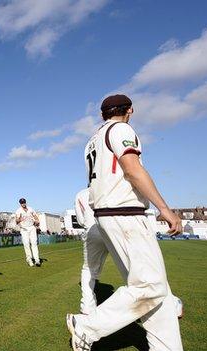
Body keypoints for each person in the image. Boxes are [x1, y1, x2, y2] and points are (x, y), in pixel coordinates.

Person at [67, 94, 183, 351]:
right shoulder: (121, 129)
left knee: (155, 288)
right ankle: (87, 326)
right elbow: (132, 169)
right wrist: (165, 208)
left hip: (108, 215)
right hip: (125, 213)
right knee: (150, 286)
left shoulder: (92, 139)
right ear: (130, 110)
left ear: (102, 114)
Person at [74, 187, 183, 317]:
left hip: (92, 230)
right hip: (115, 225)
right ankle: (170, 304)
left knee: (89, 269)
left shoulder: (80, 194)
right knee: (140, 266)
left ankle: (87, 306)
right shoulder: (112, 183)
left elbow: (80, 220)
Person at [15, 198, 41, 267]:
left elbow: (36, 218)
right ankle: (29, 259)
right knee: (26, 244)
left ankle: (37, 259)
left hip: (32, 227)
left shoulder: (30, 209)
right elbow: (16, 221)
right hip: (24, 229)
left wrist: (37, 221)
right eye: (22, 203)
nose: (23, 204)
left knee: (34, 243)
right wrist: (20, 219)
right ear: (20, 204)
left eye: (24, 202)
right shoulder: (18, 211)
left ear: (26, 202)